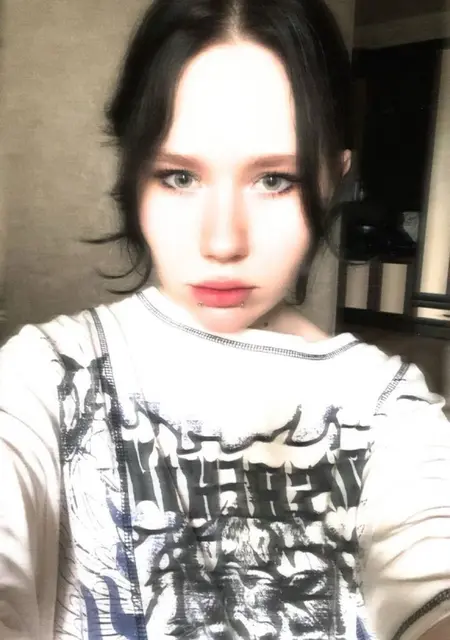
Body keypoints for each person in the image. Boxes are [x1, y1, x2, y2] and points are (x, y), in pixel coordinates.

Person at [1, 0, 449, 638]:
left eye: (275, 180)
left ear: (334, 179)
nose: (222, 242)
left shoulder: (390, 405)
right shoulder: (46, 374)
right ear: (133, 175)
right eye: (179, 177)